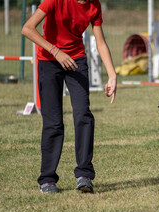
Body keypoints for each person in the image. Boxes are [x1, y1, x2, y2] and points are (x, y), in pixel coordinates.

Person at [21, 0, 117, 193]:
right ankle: (47, 179)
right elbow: (28, 29)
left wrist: (112, 75)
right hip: (49, 59)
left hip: (76, 60)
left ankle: (84, 175)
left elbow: (100, 41)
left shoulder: (94, 5)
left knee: (83, 115)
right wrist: (56, 51)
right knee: (53, 122)